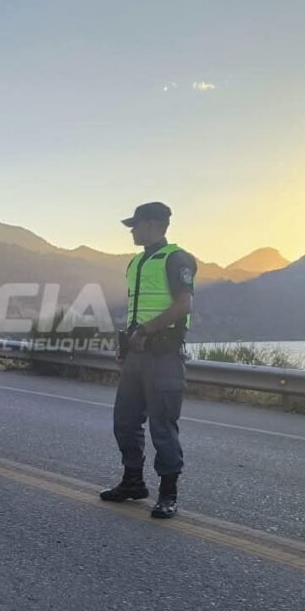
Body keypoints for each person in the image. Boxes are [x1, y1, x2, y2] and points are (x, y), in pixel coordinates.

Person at [100, 202, 197, 519]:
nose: (132, 230)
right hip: (136, 354)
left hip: (163, 354)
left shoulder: (176, 259)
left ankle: (168, 494)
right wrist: (127, 342)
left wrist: (145, 330)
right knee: (125, 421)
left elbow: (183, 305)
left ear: (154, 224)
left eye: (136, 224)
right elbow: (137, 310)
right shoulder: (136, 262)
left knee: (162, 426)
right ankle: (133, 482)